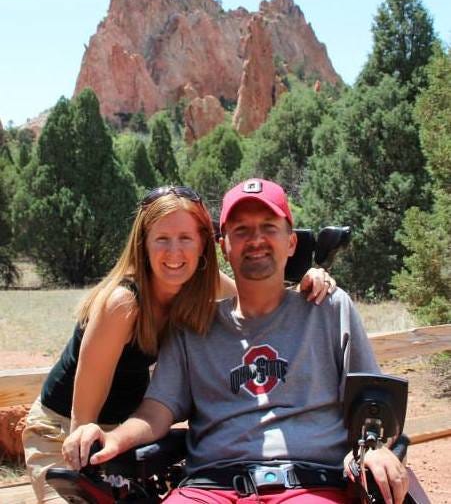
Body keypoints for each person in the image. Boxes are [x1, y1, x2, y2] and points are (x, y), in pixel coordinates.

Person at [64, 178, 408, 504]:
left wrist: (375, 447)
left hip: (308, 483)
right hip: (210, 485)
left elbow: (373, 405)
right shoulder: (194, 327)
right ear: (224, 247)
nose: (255, 239)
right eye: (241, 230)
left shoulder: (328, 308)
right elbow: (157, 410)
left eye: (269, 228)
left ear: (291, 242)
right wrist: (113, 439)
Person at [23, 184, 334, 504]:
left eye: (186, 238)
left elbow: (259, 296)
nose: (175, 252)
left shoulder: (201, 282)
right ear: (143, 244)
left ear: (204, 244)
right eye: (162, 239)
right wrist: (88, 460)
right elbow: (81, 424)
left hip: (121, 435)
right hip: (63, 434)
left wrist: (307, 277)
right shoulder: (122, 303)